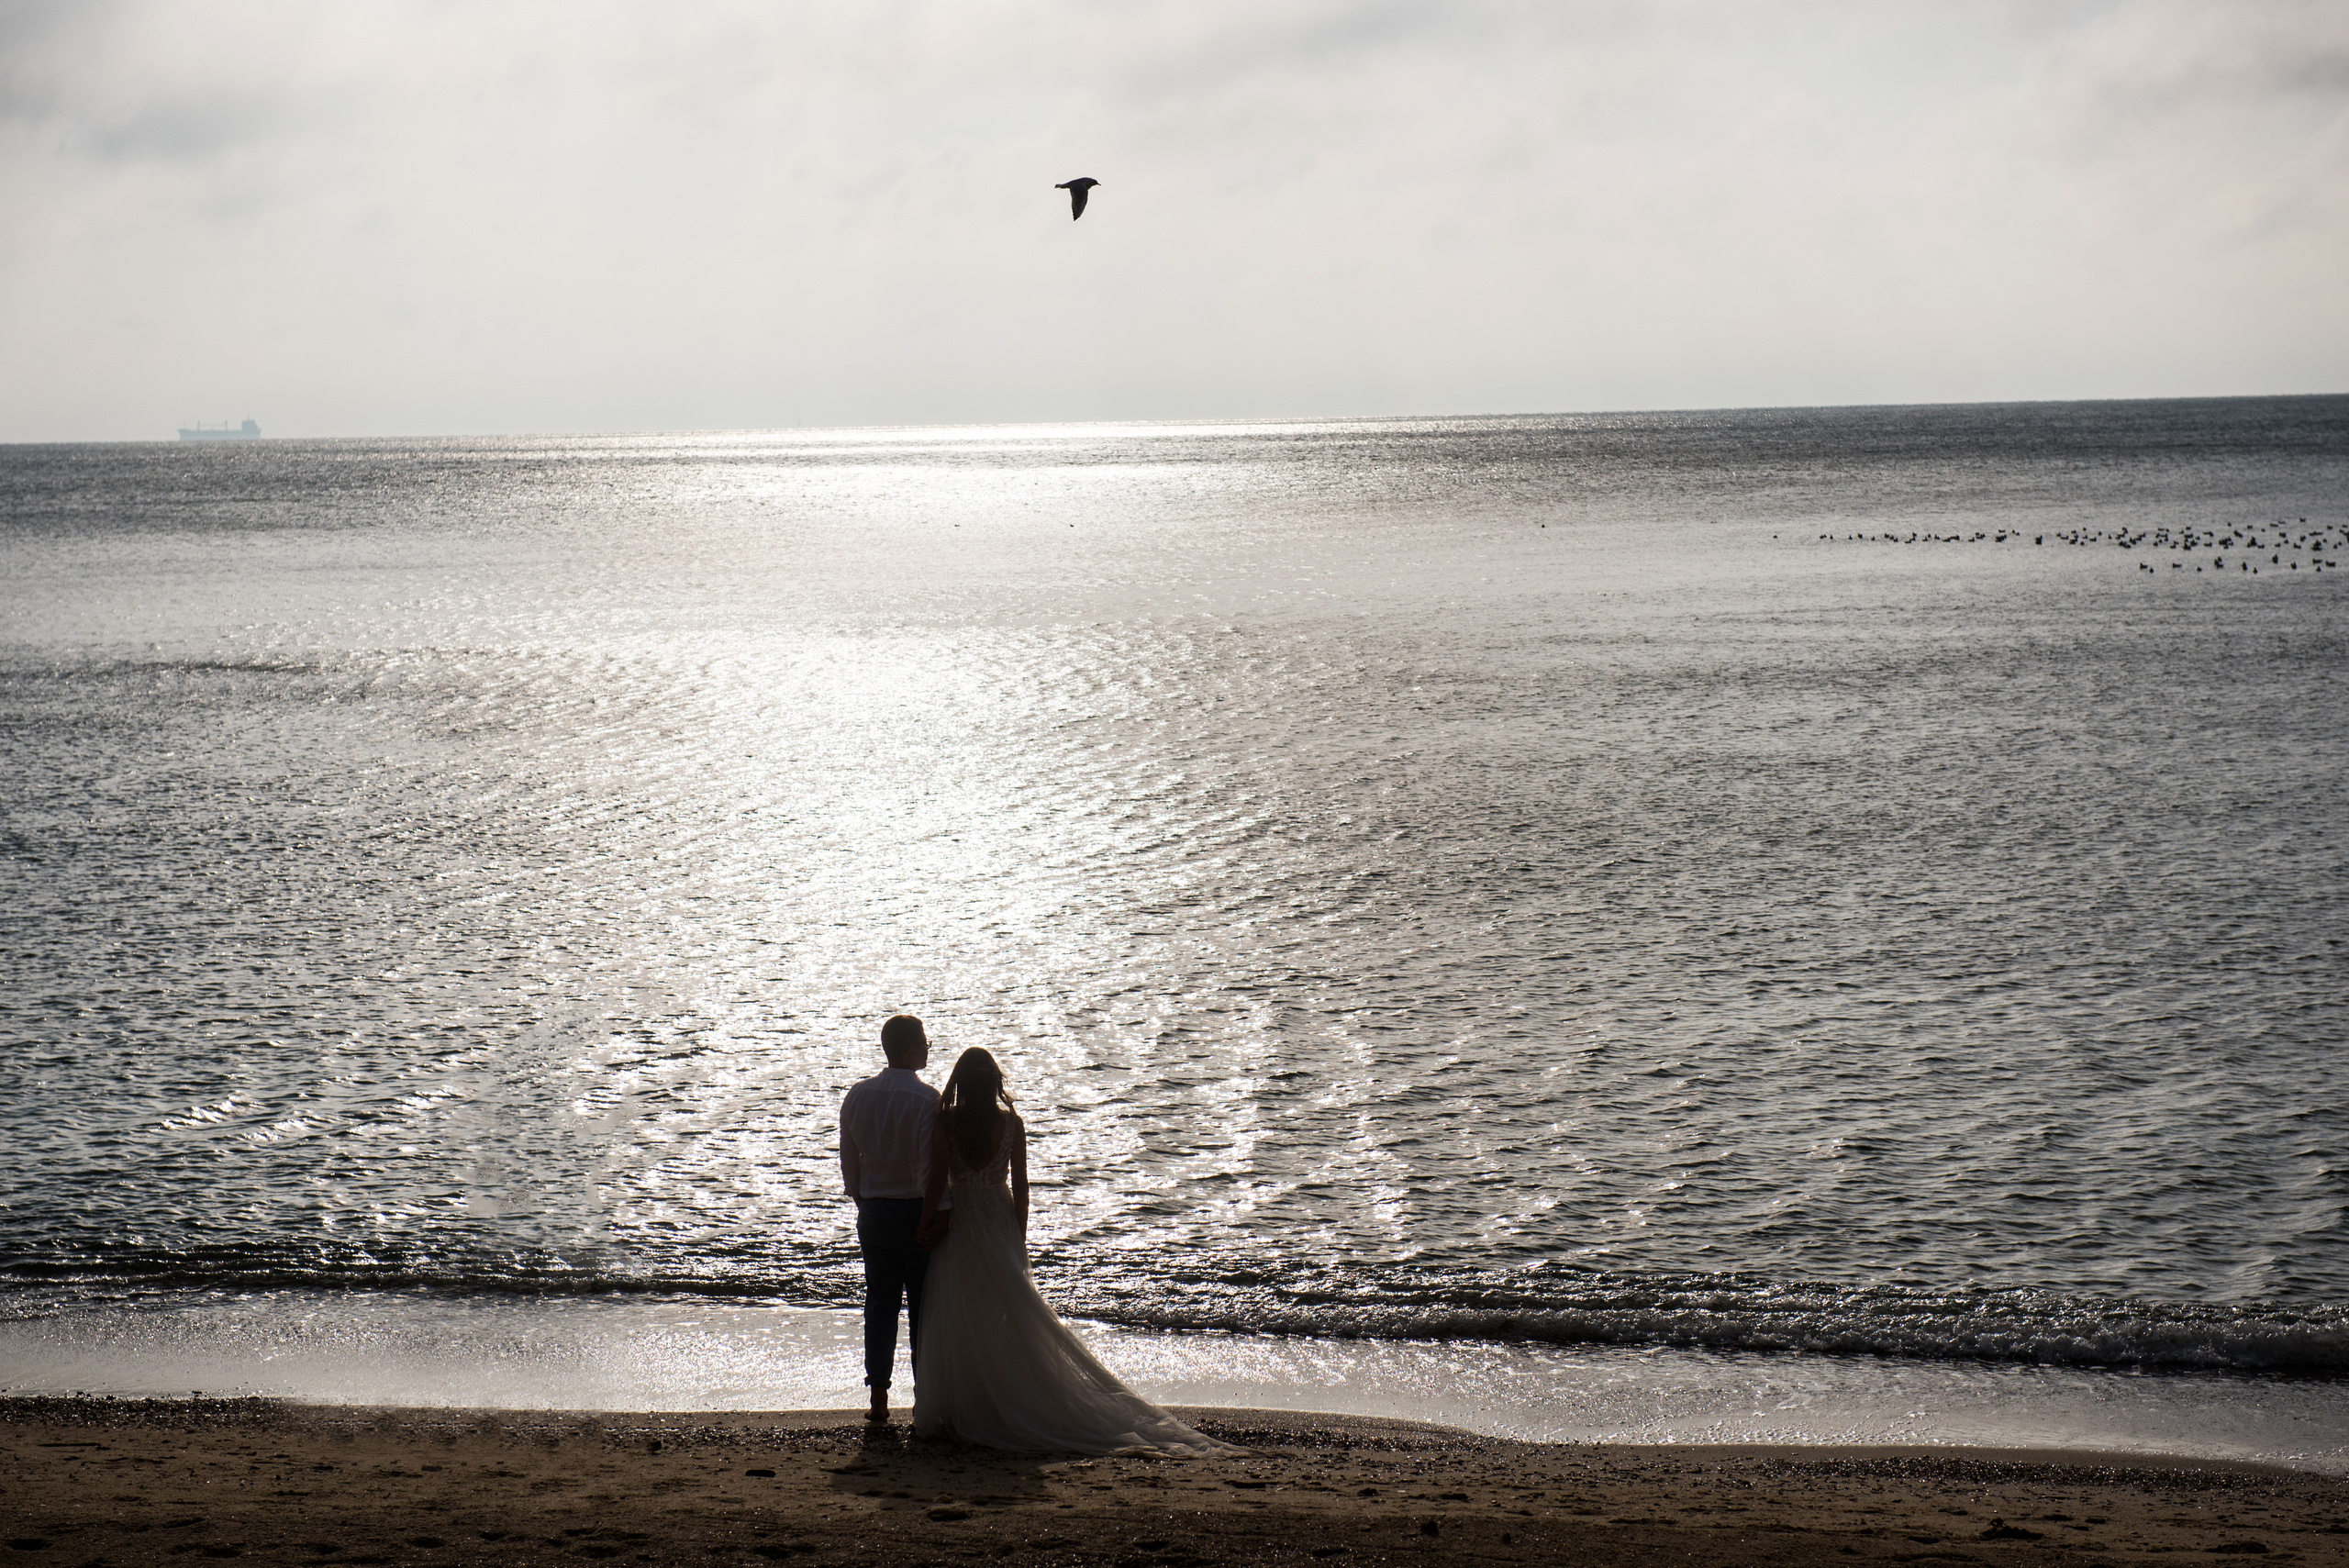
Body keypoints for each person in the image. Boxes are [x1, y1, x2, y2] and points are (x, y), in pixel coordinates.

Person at [911, 1047, 1238, 1454]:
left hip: (963, 1220)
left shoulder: (948, 1122)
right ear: (994, 1082)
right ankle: (1000, 1400)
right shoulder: (1011, 1123)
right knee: (1003, 1312)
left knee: (961, 1311)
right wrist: (1018, 1235)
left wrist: (926, 1224)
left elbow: (936, 1183)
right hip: (997, 1215)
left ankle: (969, 1404)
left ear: (959, 1081)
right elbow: (1023, 1186)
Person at [838, 1013, 946, 1424]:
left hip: (875, 1208)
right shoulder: (926, 1099)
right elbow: (927, 1169)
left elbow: (849, 1154)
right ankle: (923, 1399)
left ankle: (879, 1398)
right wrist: (938, 1215)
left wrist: (859, 1196)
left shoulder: (858, 1095)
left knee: (881, 1303)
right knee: (921, 1307)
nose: (927, 1048)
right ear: (908, 1049)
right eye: (923, 1042)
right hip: (913, 1208)